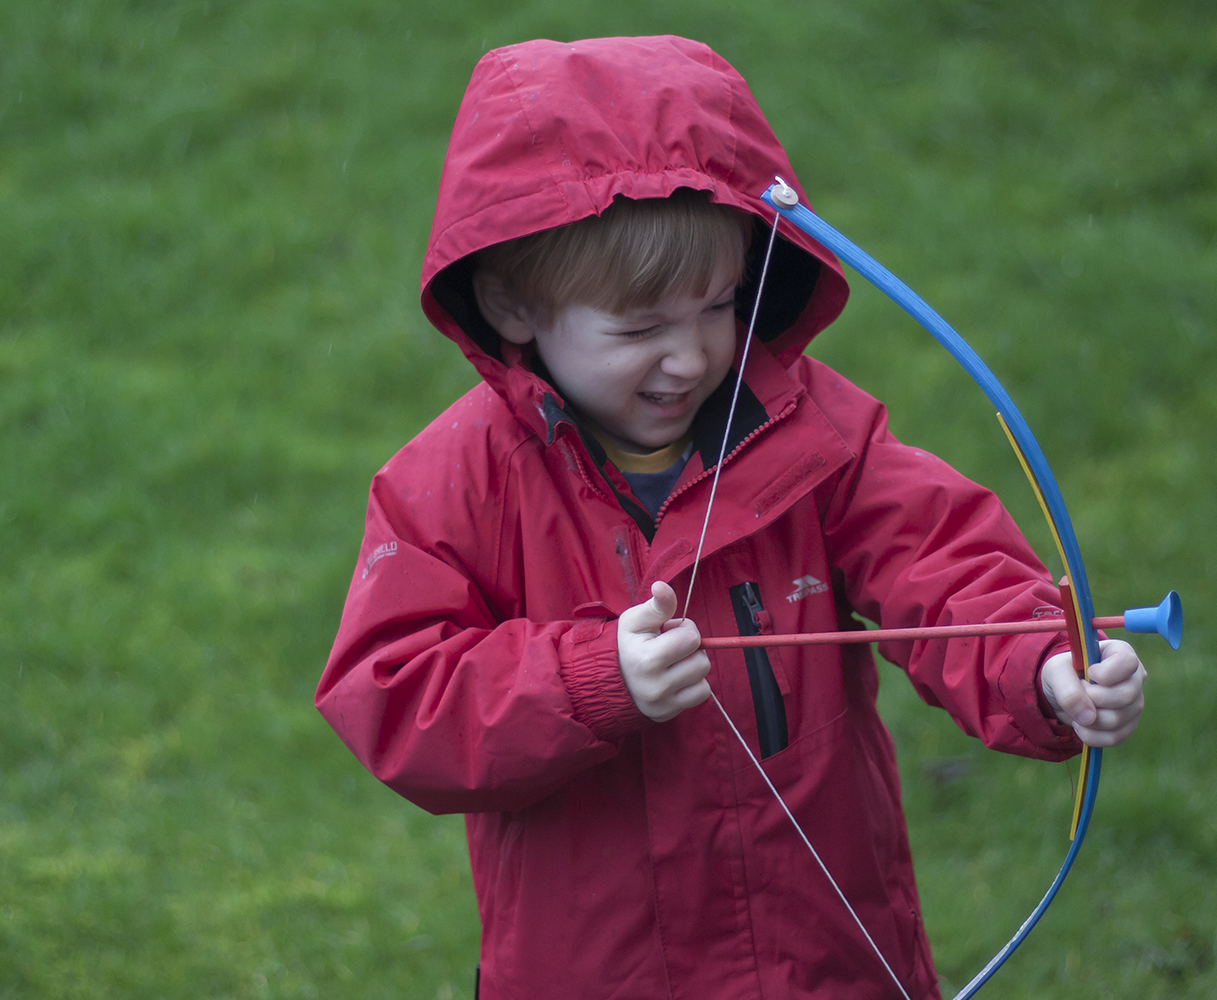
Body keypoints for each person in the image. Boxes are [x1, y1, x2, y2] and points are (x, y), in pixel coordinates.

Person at [316, 35, 1145, 1000]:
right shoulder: (456, 482)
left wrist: (1041, 665)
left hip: (830, 962)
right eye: (638, 329)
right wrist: (591, 679)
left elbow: (940, 560)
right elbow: (394, 691)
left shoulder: (810, 429)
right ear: (509, 302)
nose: (690, 357)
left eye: (717, 307)